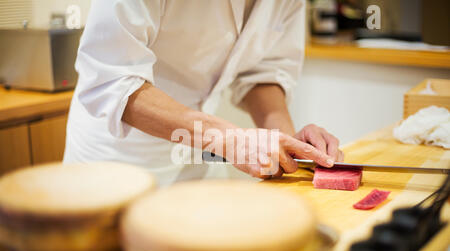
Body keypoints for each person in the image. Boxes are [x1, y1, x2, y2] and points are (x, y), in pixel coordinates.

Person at [64, 0, 344, 186]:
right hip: (119, 163)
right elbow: (112, 78)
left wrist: (289, 144)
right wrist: (228, 138)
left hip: (199, 157)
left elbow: (263, 72)